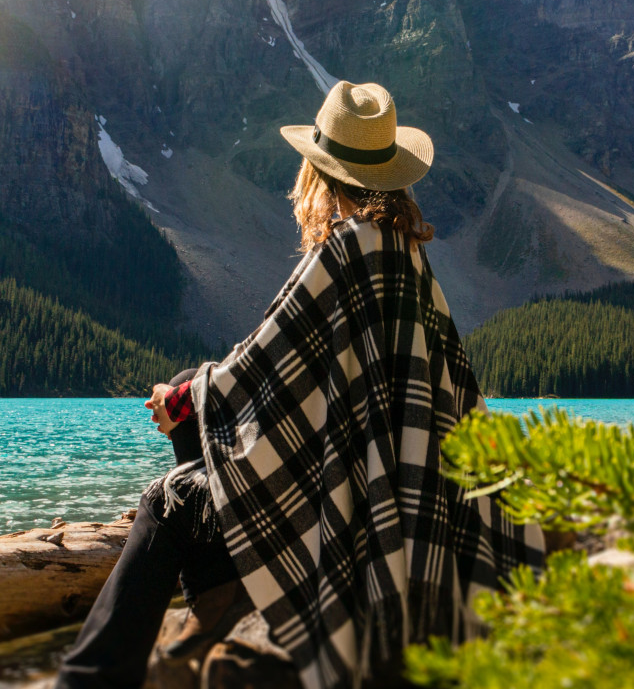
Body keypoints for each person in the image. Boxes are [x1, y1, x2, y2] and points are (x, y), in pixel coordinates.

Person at [56, 80, 544, 689]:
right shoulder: (402, 252)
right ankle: (227, 602)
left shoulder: (344, 249)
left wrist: (180, 401)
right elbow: (291, 373)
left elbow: (261, 364)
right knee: (194, 390)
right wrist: (194, 390)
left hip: (351, 513)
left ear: (319, 174)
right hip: (398, 495)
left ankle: (88, 680)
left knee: (166, 501)